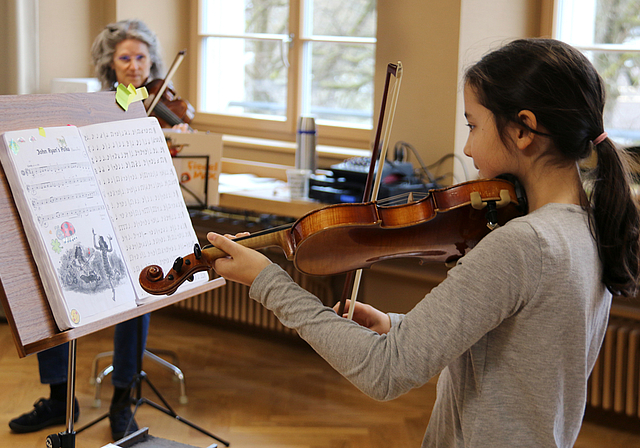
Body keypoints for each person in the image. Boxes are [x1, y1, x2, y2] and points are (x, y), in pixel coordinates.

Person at [205, 38, 640, 447]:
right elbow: (518, 344)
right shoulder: (588, 223)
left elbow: (385, 370)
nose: (467, 149)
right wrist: (398, 327)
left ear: (524, 129)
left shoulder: (524, 243)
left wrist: (267, 281)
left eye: (473, 126)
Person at [8, 19, 166, 441]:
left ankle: (123, 400)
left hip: (140, 215)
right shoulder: (92, 105)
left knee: (141, 291)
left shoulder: (160, 107)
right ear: (109, 65)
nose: (134, 67)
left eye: (141, 58)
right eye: (125, 58)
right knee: (51, 282)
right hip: (89, 211)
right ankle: (60, 397)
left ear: (152, 62)